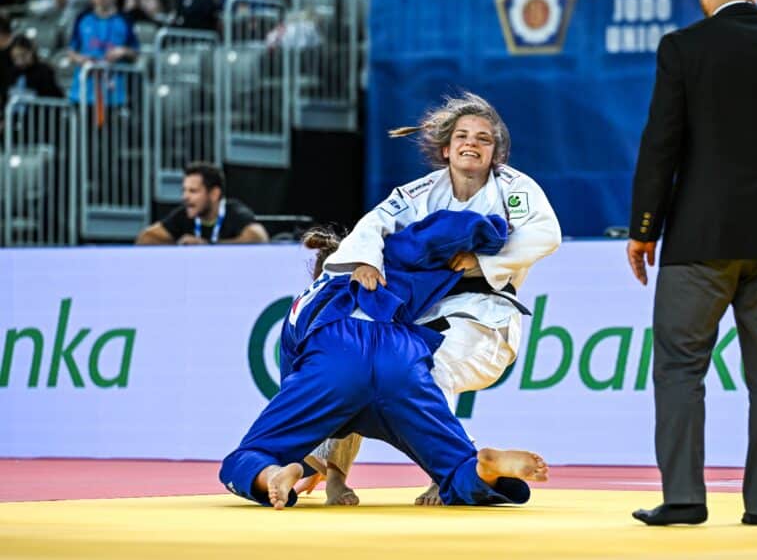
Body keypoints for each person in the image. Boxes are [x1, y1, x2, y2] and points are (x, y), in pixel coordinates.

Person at [627, 0, 757, 526]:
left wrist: (644, 227)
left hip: (702, 239)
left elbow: (662, 142)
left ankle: (684, 498)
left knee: (680, 367)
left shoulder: (684, 46)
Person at [297, 92, 562, 506]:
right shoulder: (421, 192)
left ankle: (449, 472)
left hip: (484, 316)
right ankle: (332, 473)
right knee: (359, 359)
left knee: (427, 367)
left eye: (483, 138)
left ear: (496, 152)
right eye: (462, 136)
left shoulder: (515, 188)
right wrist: (366, 260)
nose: (472, 143)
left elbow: (546, 235)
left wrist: (482, 261)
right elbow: (375, 223)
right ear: (446, 148)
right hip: (423, 313)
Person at [219, 209, 550, 509]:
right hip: (400, 358)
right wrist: (491, 229)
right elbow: (436, 232)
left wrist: (289, 455)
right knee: (455, 468)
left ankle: (270, 474)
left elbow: (295, 389)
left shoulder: (304, 303)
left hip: (335, 354)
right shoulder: (384, 261)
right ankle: (481, 468)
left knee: (248, 456)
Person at [136, 161, 270, 245]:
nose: (185, 197)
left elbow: (259, 237)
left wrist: (209, 245)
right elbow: (146, 237)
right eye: (184, 190)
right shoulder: (185, 213)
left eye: (193, 191)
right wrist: (179, 246)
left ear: (214, 194)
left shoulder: (233, 211)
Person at [67, 0, 138, 107]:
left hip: (114, 92)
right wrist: (81, 59)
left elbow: (135, 53)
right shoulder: (82, 18)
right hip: (84, 92)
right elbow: (71, 51)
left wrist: (123, 51)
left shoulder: (125, 19)